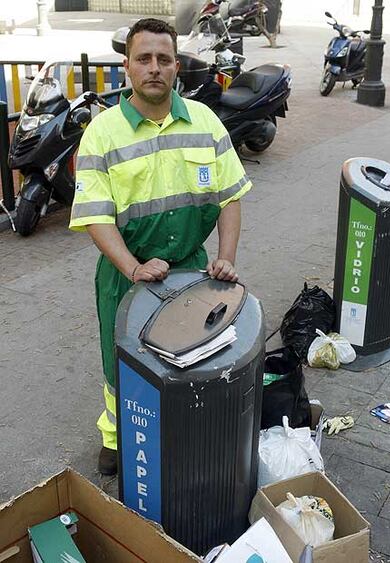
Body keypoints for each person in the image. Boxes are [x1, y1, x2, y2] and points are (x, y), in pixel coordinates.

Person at [69, 18, 252, 475]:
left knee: (188, 356)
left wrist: (225, 257)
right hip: (124, 275)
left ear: (177, 68)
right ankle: (115, 437)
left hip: (191, 271)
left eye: (164, 59)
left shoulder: (206, 123)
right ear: (126, 67)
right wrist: (132, 267)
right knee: (122, 362)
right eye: (144, 58)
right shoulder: (103, 133)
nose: (155, 67)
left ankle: (176, 427)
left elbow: (230, 196)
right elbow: (95, 214)